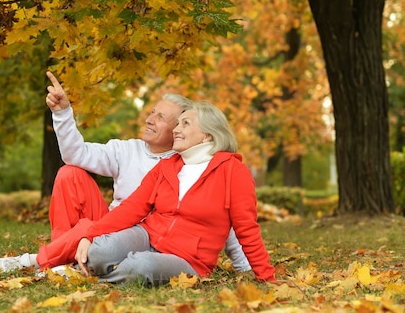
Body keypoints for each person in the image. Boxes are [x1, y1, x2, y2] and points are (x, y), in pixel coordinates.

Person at [0, 72, 251, 273]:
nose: (149, 119)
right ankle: (64, 256)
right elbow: (76, 154)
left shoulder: (186, 166)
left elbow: (218, 215)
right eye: (151, 112)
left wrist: (244, 266)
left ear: (179, 129)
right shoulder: (127, 150)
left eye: (160, 118)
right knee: (70, 173)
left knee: (90, 228)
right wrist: (63, 113)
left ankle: (33, 261)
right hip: (111, 226)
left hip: (143, 239)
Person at [73, 100, 276, 286]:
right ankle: (107, 271)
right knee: (100, 251)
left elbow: (246, 228)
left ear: (208, 134)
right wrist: (91, 235)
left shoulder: (233, 171)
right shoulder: (167, 166)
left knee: (142, 265)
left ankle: (100, 281)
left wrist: (266, 276)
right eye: (177, 124)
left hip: (189, 259)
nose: (176, 130)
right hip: (148, 237)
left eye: (185, 123)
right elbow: (132, 207)